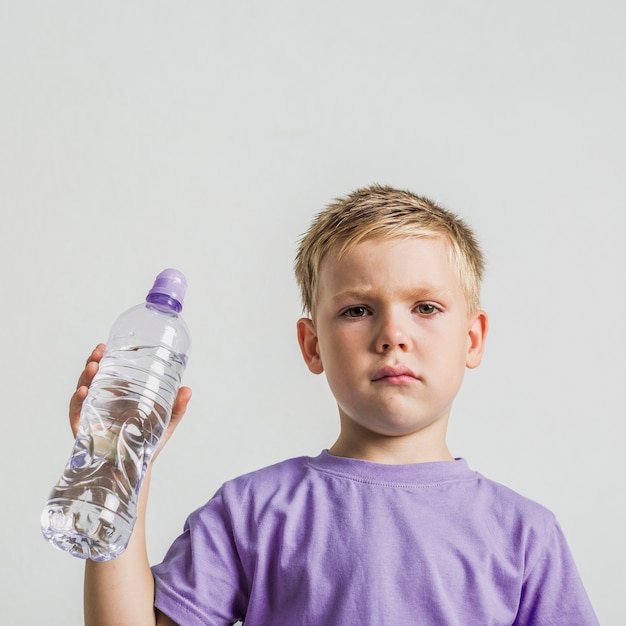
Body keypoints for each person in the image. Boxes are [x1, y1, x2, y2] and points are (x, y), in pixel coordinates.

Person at [70, 185, 599, 625]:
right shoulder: (253, 512)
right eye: (358, 309)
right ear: (312, 345)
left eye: (426, 307)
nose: (393, 333)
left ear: (472, 338)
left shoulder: (526, 535)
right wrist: (118, 468)